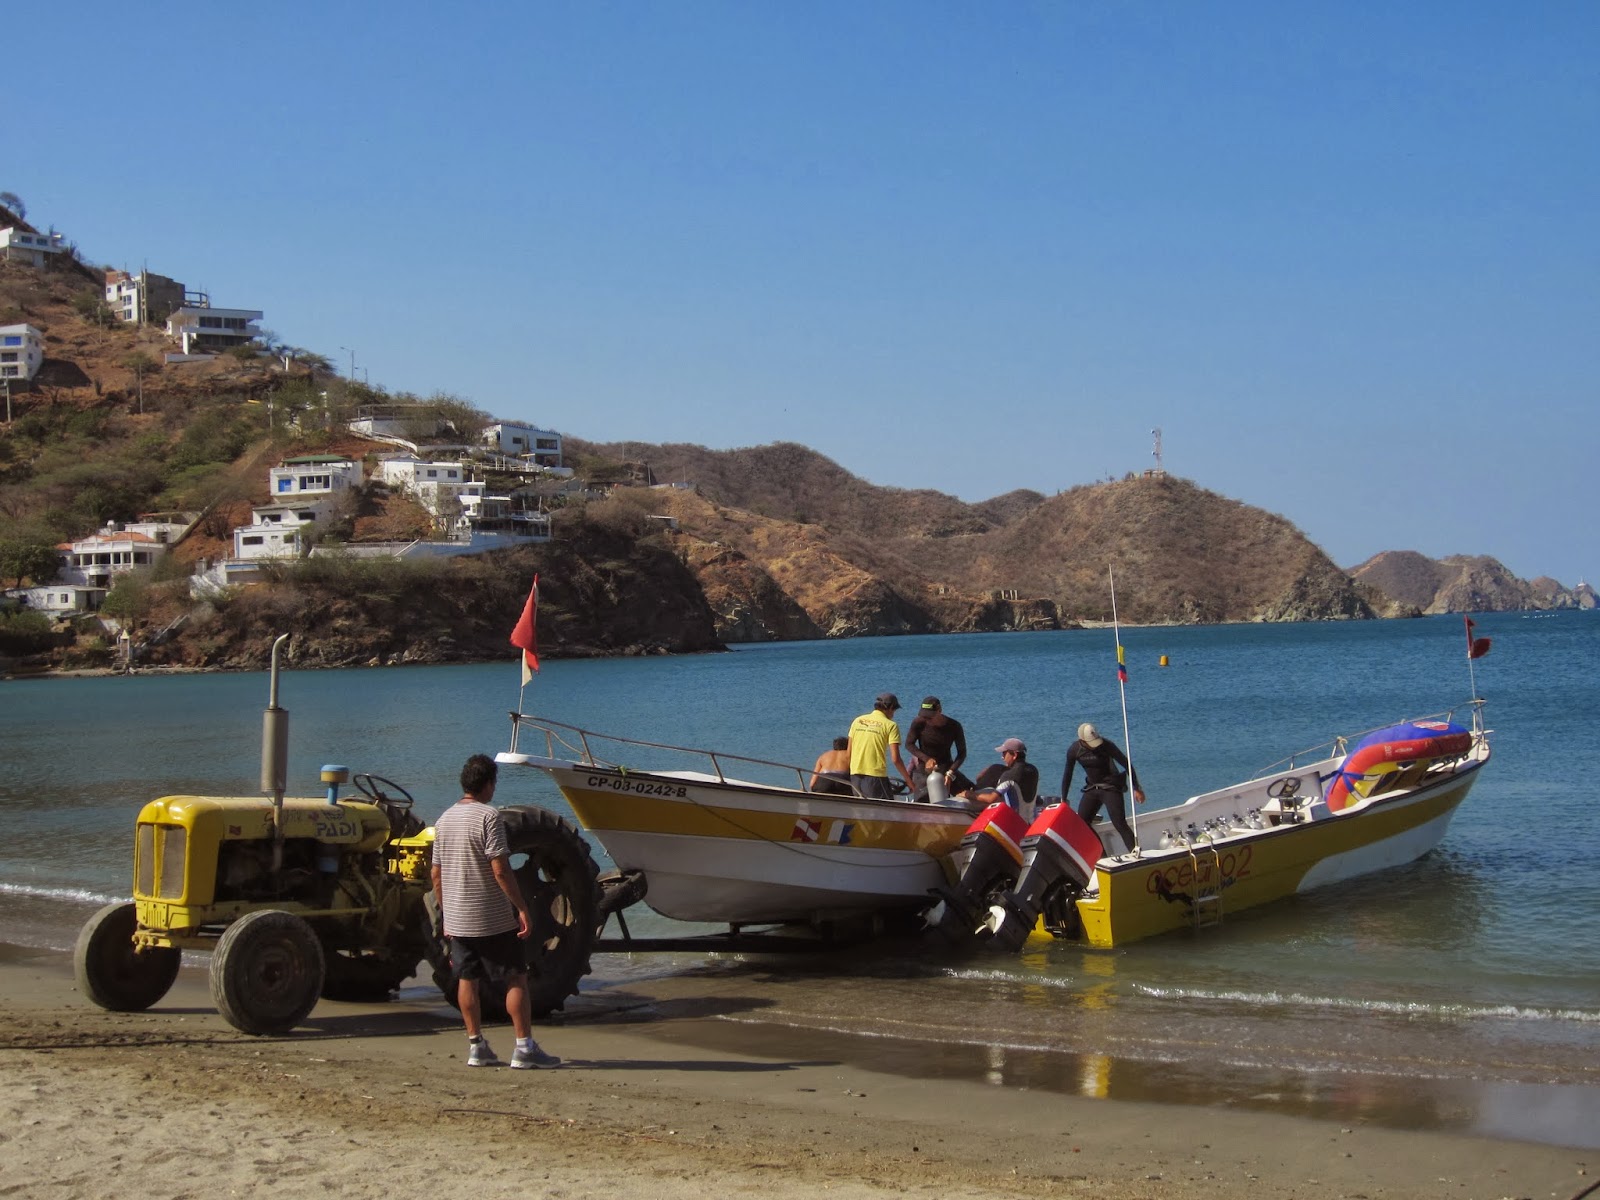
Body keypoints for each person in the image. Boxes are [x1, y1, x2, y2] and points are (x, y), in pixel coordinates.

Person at [431, 754, 559, 1070]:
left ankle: (477, 1047)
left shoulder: (444, 819)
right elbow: (500, 868)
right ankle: (524, 1048)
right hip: (492, 917)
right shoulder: (489, 818)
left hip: (458, 919)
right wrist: (521, 907)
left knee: (467, 979)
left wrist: (447, 913)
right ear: (488, 784)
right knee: (517, 977)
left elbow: (436, 873)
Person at [1061, 722, 1145, 855]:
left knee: (1119, 822)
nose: (1095, 744)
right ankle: (1102, 856)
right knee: (1082, 823)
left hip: (1111, 787)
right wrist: (1064, 798)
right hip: (1092, 788)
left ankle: (1136, 853)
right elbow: (1068, 774)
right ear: (1082, 740)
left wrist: (1137, 788)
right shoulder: (1074, 750)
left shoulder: (1106, 745)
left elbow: (1126, 764)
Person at [847, 692, 912, 800]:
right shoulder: (891, 725)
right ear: (890, 707)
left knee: (862, 811)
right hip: (875, 777)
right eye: (894, 710)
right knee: (889, 810)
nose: (893, 714)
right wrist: (909, 782)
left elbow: (848, 754)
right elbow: (896, 759)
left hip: (855, 776)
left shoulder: (857, 721)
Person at [905, 696, 968, 802]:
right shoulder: (919, 723)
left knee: (970, 791)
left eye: (930, 717)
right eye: (924, 717)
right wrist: (926, 759)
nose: (927, 720)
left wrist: (951, 772)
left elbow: (962, 753)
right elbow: (909, 744)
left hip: (947, 768)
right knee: (923, 799)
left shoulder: (954, 726)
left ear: (939, 710)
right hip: (923, 770)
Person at [962, 737, 1039, 810]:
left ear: (1014, 755)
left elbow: (991, 799)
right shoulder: (1033, 770)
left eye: (1004, 753)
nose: (1002, 757)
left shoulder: (1009, 775)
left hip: (1015, 819)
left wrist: (969, 794)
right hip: (1031, 819)